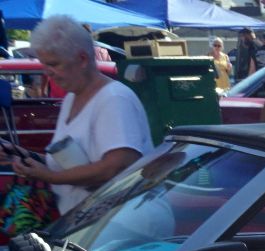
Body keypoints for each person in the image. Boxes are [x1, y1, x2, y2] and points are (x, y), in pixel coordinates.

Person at [4, 17, 153, 217]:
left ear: (82, 59)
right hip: (94, 225)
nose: (48, 73)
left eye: (54, 64)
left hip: (123, 224)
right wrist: (20, 153)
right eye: (44, 64)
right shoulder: (71, 99)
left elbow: (117, 167)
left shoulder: (114, 99)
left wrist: (50, 176)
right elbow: (68, 164)